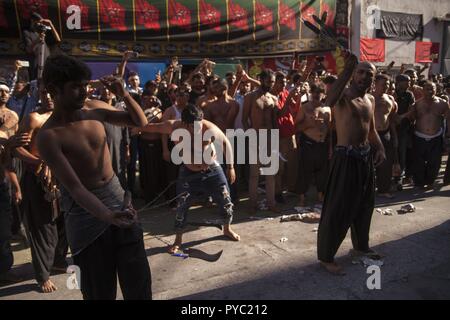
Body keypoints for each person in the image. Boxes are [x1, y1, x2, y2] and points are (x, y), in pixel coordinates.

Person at [36, 54, 151, 300]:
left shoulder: (94, 110)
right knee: (98, 293)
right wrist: (107, 215)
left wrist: (125, 95)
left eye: (85, 85)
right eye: (76, 87)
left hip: (120, 202)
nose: (83, 91)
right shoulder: (49, 136)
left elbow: (139, 122)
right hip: (86, 219)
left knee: (139, 287)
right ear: (54, 90)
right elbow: (75, 188)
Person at [317, 53, 386, 275]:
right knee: (338, 209)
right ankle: (326, 257)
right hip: (345, 158)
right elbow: (328, 101)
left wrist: (380, 148)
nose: (364, 77)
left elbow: (372, 129)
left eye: (369, 74)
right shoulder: (344, 96)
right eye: (361, 72)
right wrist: (346, 69)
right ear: (354, 75)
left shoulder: (371, 99)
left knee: (365, 207)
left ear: (373, 80)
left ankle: (360, 247)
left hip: (365, 158)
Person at [138, 104, 240, 253]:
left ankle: (227, 228)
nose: (197, 128)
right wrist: (135, 127)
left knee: (225, 199)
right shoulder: (173, 127)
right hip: (189, 171)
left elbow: (225, 142)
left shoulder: (209, 128)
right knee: (182, 206)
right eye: (193, 125)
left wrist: (230, 167)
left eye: (199, 123)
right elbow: (151, 127)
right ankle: (178, 240)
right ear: (184, 123)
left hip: (212, 169)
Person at [15, 87, 68, 293]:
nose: (48, 97)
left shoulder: (67, 117)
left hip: (64, 178)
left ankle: (58, 259)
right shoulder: (34, 119)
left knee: (65, 222)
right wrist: (40, 161)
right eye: (45, 93)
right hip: (38, 179)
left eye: (52, 92)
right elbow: (17, 148)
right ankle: (42, 275)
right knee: (42, 227)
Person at [400, 81, 450, 188]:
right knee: (418, 162)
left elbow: (448, 120)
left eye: (432, 88)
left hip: (436, 137)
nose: (430, 91)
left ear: (436, 90)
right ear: (422, 90)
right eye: (427, 88)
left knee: (435, 162)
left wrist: (448, 135)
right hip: (419, 137)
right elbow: (409, 117)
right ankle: (419, 182)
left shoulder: (443, 103)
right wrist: (398, 118)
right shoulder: (417, 104)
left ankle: (430, 181)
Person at [242, 70, 279, 213]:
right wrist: (250, 136)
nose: (272, 84)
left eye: (273, 81)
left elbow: (275, 120)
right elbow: (245, 119)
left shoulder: (273, 98)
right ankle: (252, 204)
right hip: (255, 136)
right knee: (254, 174)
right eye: (269, 81)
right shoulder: (250, 97)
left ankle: (271, 203)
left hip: (270, 137)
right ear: (262, 80)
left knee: (271, 173)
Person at [0, 131, 30, 284]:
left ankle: (4, 270)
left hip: (1, 189)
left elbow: (7, 166)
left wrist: (17, 188)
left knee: (4, 233)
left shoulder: (3, 136)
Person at [295, 83, 331, 206]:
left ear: (323, 94)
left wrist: (330, 147)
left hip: (322, 144)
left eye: (319, 92)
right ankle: (302, 197)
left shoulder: (327, 109)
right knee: (305, 172)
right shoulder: (304, 108)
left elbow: (329, 129)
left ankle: (321, 195)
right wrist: (308, 125)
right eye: (314, 92)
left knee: (322, 172)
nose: (317, 95)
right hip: (308, 142)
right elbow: (296, 126)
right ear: (311, 93)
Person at [373, 74, 399, 198]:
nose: (386, 87)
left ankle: (383, 190)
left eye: (388, 84)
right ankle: (366, 189)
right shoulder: (367, 98)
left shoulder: (391, 99)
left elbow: (392, 120)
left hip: (385, 134)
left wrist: (394, 137)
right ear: (375, 84)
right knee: (367, 164)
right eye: (383, 84)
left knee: (385, 165)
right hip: (370, 135)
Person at [394, 74, 415, 187]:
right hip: (392, 128)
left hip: (404, 129)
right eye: (406, 81)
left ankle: (400, 178)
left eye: (410, 81)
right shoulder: (392, 92)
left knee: (402, 153)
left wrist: (401, 117)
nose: (409, 83)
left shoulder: (409, 94)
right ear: (399, 82)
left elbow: (412, 110)